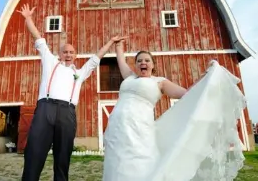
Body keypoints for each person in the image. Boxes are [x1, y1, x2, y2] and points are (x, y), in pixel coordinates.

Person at [103, 43, 246, 180]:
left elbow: (188, 93)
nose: (142, 63)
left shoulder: (160, 82)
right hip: (117, 129)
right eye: (139, 61)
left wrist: (206, 76)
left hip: (139, 129)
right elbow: (121, 60)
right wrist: (118, 45)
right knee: (115, 164)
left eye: (147, 60)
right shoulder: (130, 77)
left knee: (138, 164)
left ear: (153, 65)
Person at [18, 4, 122, 181]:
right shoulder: (50, 62)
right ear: (59, 54)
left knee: (63, 155)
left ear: (75, 55)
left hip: (67, 112)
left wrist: (111, 42)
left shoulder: (79, 73)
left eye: (71, 52)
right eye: (65, 51)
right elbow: (38, 37)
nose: (68, 54)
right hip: (45, 109)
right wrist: (28, 18)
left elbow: (97, 58)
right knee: (35, 151)